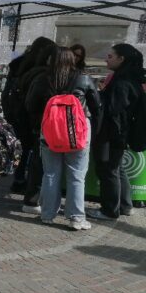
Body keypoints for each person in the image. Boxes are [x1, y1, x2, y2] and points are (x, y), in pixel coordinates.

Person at [24, 47, 101, 230]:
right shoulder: (83, 78)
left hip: (50, 131)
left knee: (51, 173)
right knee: (77, 175)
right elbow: (97, 105)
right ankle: (76, 218)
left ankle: (47, 214)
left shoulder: (42, 79)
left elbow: (30, 105)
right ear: (72, 60)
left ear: (52, 60)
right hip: (78, 132)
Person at [89, 44, 144, 220]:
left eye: (110, 56)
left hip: (111, 134)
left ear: (122, 59)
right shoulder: (130, 79)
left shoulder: (122, 83)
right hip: (119, 133)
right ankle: (125, 205)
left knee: (108, 170)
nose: (106, 59)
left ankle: (109, 210)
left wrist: (98, 97)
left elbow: (113, 111)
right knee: (117, 169)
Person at [3, 37, 56, 197]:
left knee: (23, 147)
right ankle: (22, 180)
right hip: (28, 113)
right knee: (30, 149)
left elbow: (8, 90)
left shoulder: (19, 63)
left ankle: (18, 178)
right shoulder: (38, 70)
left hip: (16, 111)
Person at [16, 41, 58, 215]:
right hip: (40, 125)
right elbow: (31, 103)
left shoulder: (27, 69)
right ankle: (34, 198)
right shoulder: (43, 77)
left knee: (32, 157)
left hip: (31, 122)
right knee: (39, 162)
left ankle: (21, 182)